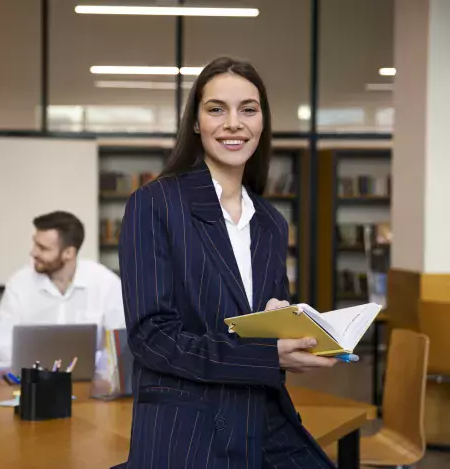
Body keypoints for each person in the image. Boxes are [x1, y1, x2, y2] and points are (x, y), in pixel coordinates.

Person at [115, 57, 338, 469]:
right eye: (217, 109)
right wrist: (267, 355)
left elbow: (258, 326)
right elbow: (151, 337)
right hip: (187, 426)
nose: (234, 123)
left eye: (248, 109)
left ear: (262, 122)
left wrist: (285, 324)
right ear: (196, 123)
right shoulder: (155, 203)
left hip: (261, 414)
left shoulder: (271, 222)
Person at [0, 211, 125, 378]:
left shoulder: (106, 283)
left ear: (68, 253)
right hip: (32, 382)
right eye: (35, 244)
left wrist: (93, 365)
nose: (33, 253)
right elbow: (0, 345)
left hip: (92, 383)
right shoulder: (18, 283)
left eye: (43, 248)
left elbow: (119, 346)